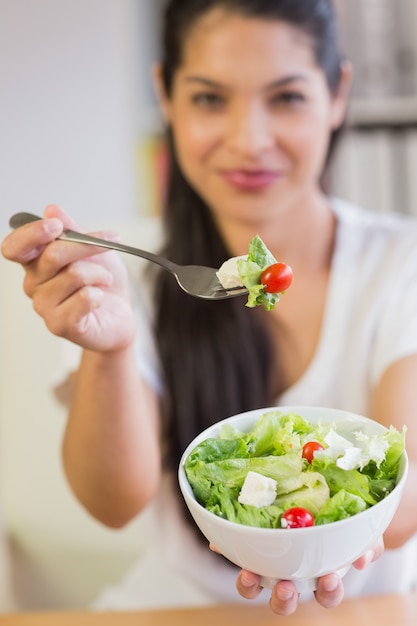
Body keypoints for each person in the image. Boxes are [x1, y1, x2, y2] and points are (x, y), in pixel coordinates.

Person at [2, 0, 417, 616]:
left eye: (286, 98)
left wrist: (315, 537)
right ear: (165, 96)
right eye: (209, 99)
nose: (249, 140)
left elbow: (401, 510)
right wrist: (113, 349)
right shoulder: (128, 286)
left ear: (337, 95)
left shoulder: (400, 261)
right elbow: (113, 504)